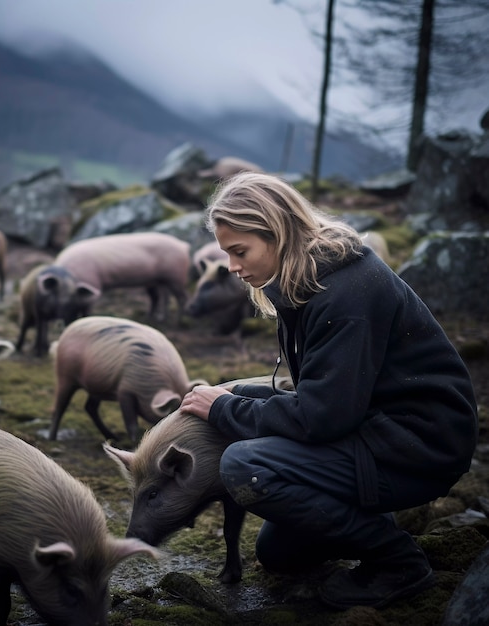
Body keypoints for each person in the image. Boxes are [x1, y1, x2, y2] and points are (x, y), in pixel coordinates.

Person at [179, 171, 478, 610]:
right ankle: (372, 516)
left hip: (418, 446)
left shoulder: (345, 294)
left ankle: (399, 563)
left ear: (276, 233)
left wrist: (227, 409)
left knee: (246, 467)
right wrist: (237, 396)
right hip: (376, 432)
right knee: (280, 554)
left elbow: (323, 417)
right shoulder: (311, 281)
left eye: (239, 251)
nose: (232, 268)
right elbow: (327, 397)